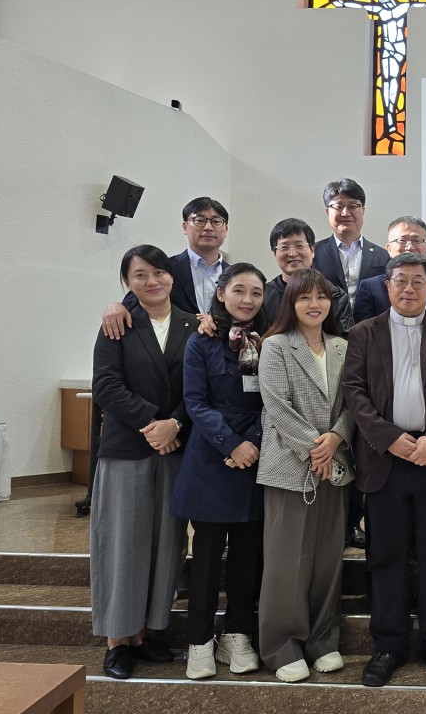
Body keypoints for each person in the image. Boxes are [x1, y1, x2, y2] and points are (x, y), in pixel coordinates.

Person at [342, 253, 426, 688]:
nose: (409, 288)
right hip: (385, 459)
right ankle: (388, 647)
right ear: (387, 286)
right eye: (401, 280)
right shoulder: (364, 333)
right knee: (385, 557)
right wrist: (387, 437)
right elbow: (354, 391)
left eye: (418, 281)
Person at [90, 245, 196, 680]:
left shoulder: (194, 325)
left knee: (166, 543)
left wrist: (176, 423)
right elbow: (105, 385)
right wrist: (153, 423)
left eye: (159, 272)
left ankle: (148, 632)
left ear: (172, 276)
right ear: (126, 282)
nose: (152, 281)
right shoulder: (118, 323)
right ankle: (118, 640)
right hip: (128, 448)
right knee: (122, 543)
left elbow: (202, 388)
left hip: (175, 448)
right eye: (140, 275)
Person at [170, 263, 268, 680]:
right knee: (207, 558)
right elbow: (195, 402)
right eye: (239, 290)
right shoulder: (202, 341)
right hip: (211, 456)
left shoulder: (271, 340)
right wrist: (232, 444)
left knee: (248, 557)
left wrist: (254, 443)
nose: (247, 300)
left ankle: (238, 635)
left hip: (258, 455)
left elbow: (276, 399)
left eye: (256, 292)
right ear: (221, 293)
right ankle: (199, 640)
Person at [257, 269, 356, 683]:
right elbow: (276, 405)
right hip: (290, 465)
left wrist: (336, 438)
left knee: (327, 560)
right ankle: (281, 644)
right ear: (291, 303)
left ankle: (321, 639)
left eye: (322, 297)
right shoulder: (276, 345)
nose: (314, 304)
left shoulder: (342, 346)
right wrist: (316, 448)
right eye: (305, 298)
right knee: (287, 561)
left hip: (335, 466)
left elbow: (355, 402)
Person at [101, 197, 230, 338]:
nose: (208, 227)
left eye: (216, 221)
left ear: (226, 229)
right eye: (199, 220)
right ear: (185, 227)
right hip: (173, 348)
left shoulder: (237, 276)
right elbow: (134, 299)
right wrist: (115, 306)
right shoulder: (164, 270)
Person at [352, 216, 426, 323]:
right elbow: (363, 330)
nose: (409, 247)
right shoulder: (370, 288)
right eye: (402, 240)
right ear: (389, 248)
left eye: (416, 240)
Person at [265, 218, 354, 333]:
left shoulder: (335, 295)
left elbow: (344, 340)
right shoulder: (264, 295)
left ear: (312, 250)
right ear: (275, 253)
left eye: (299, 246)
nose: (292, 253)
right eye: (284, 247)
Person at [311, 178, 390, 304]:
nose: (345, 213)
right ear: (327, 211)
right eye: (338, 207)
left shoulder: (382, 256)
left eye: (353, 206)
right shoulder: (313, 253)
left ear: (363, 210)